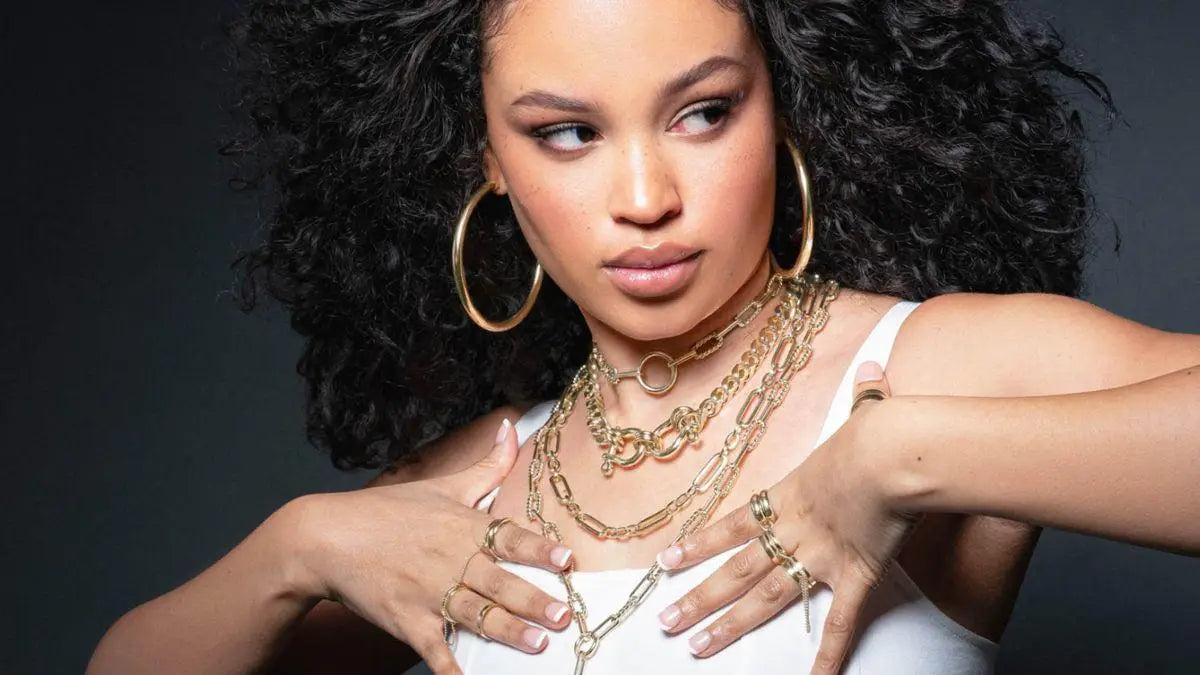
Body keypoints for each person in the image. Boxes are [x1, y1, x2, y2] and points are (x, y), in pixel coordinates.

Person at [87, 1, 1200, 674]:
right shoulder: (481, 482)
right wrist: (299, 549)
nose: (644, 195)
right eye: (566, 133)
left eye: (704, 111)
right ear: (487, 158)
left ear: (787, 101)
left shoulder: (918, 372)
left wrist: (895, 457)